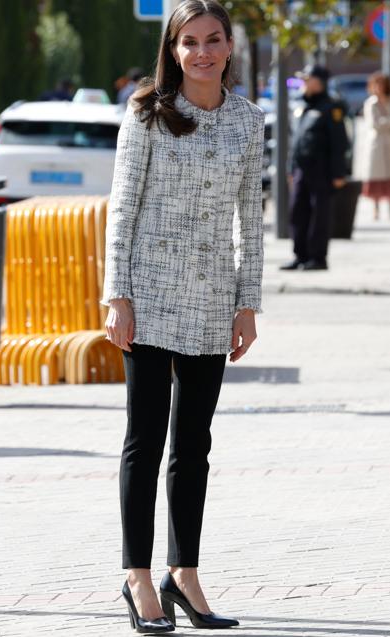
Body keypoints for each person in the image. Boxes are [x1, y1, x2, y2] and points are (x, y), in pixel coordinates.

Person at [101, 0, 265, 633]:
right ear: (172, 51)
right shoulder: (145, 114)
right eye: (188, 42)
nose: (201, 51)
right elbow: (122, 210)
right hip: (146, 293)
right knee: (145, 440)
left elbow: (251, 219)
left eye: (212, 40)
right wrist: (117, 295)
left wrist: (247, 302)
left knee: (193, 445)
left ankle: (185, 573)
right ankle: (137, 576)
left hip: (212, 296)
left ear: (229, 47)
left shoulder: (249, 121)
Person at [280, 64, 349, 271]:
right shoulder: (302, 106)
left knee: (320, 215)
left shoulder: (331, 108)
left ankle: (318, 258)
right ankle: (300, 256)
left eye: (307, 79)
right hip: (301, 170)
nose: (303, 83)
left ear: (318, 82)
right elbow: (297, 141)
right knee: (297, 212)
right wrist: (291, 168)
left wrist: (339, 173)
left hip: (322, 170)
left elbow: (340, 143)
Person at [360, 72, 390, 221]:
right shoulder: (371, 103)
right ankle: (376, 209)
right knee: (377, 177)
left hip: (388, 143)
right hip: (377, 144)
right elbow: (375, 124)